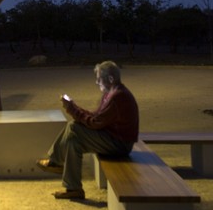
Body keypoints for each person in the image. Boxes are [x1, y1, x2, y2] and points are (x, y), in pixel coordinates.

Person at [36, 61, 139, 200]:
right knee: (73, 142)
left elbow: (95, 122)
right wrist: (74, 107)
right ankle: (73, 188)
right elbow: (96, 116)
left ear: (110, 79)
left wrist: (73, 110)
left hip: (120, 144)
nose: (97, 82)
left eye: (99, 79)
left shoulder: (118, 97)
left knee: (73, 127)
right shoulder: (111, 94)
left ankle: (56, 162)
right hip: (113, 138)